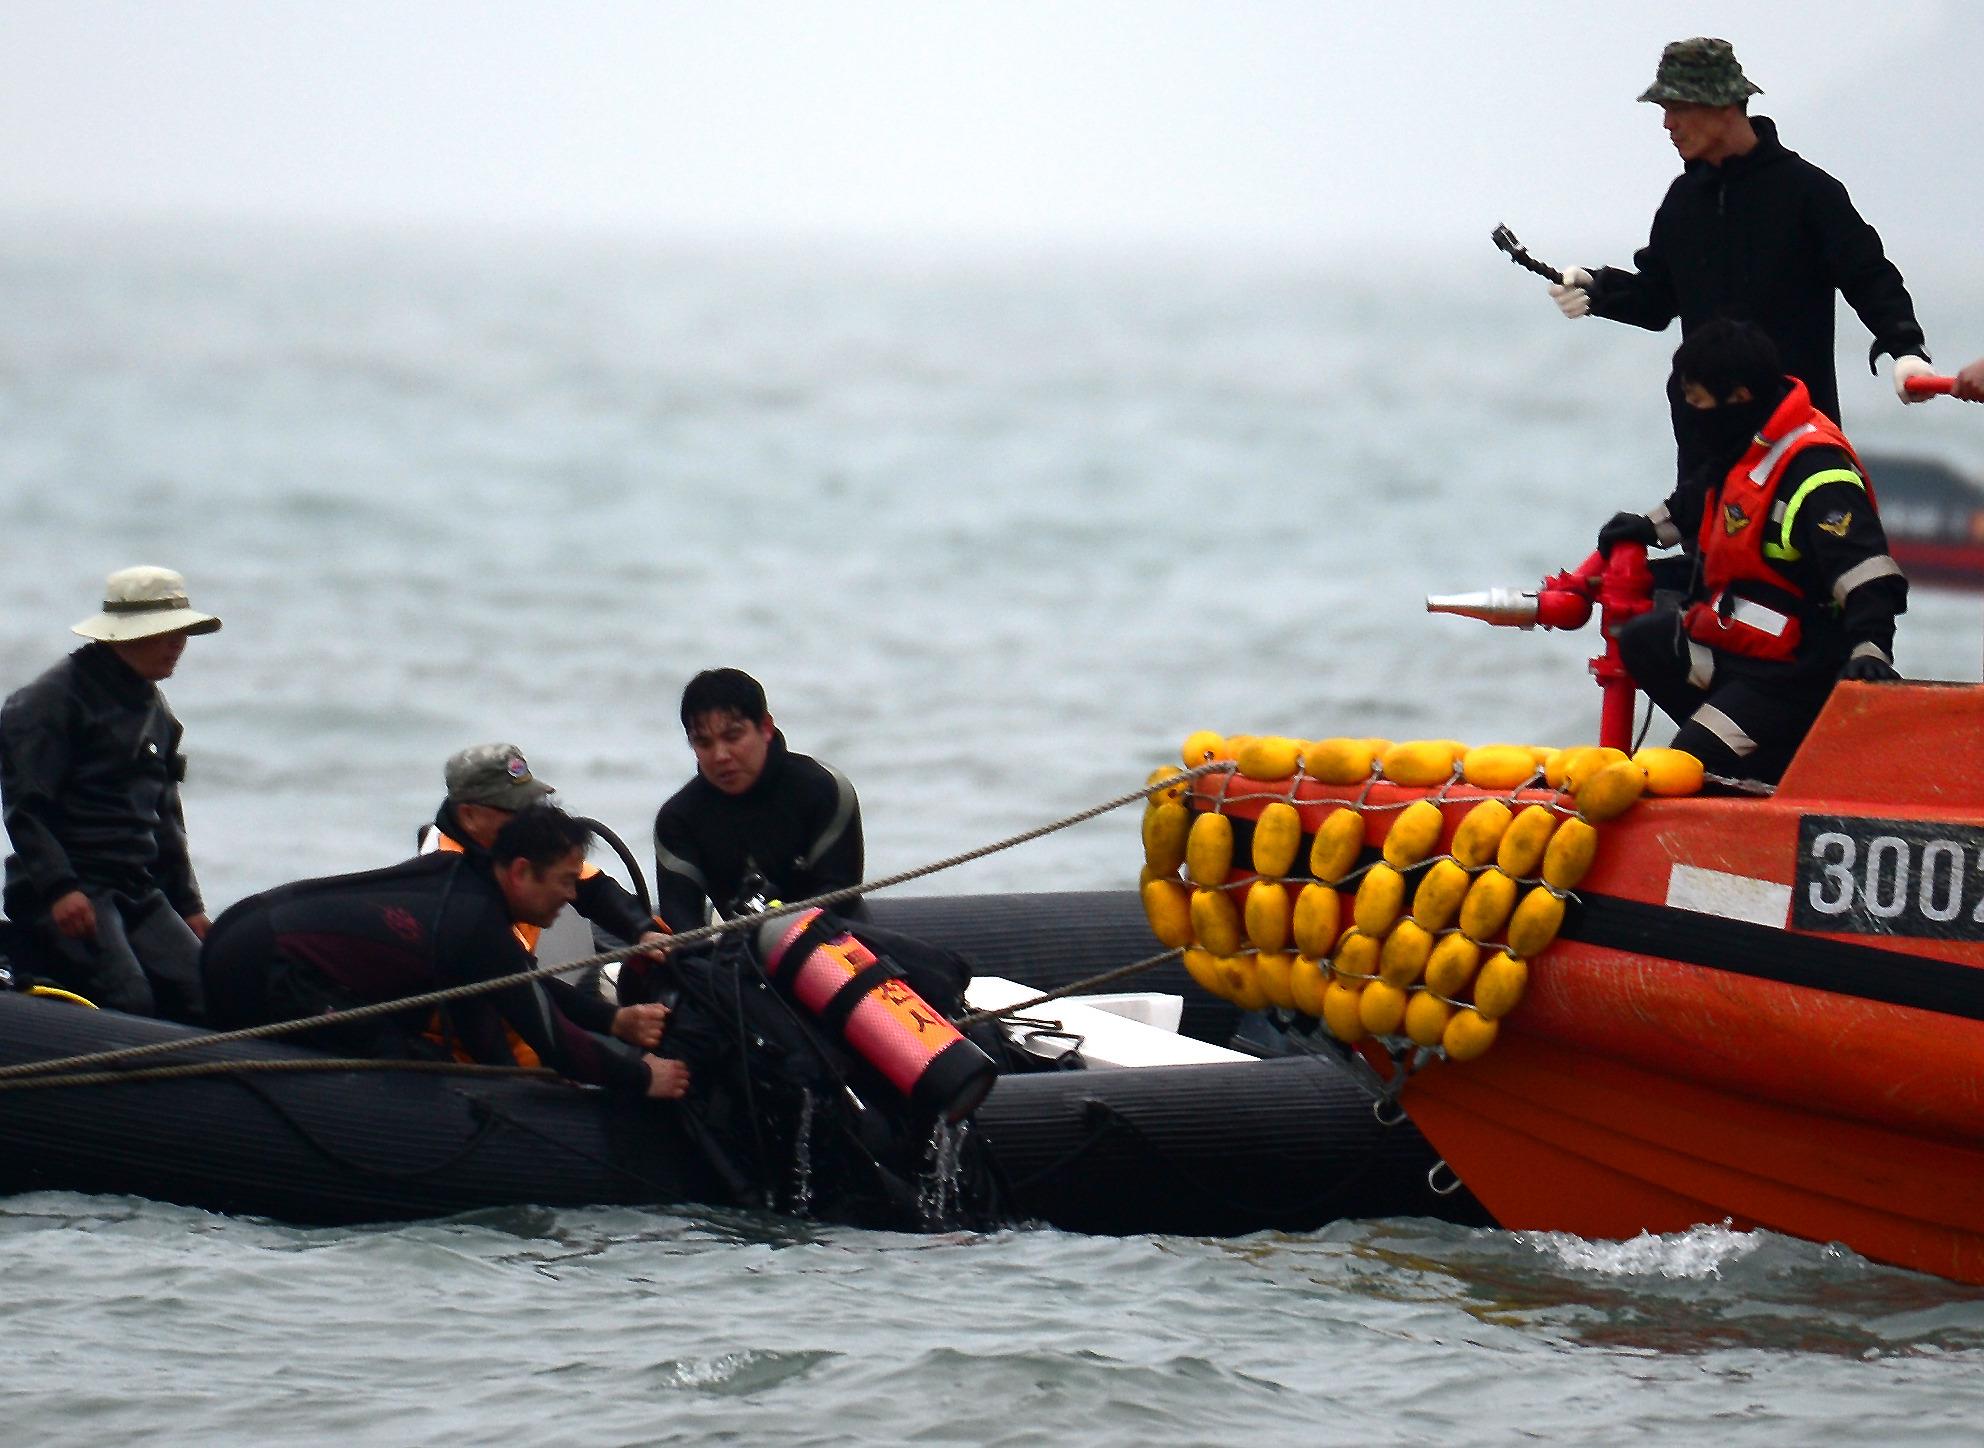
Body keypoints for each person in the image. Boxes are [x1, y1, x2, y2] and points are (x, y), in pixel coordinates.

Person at [1549, 37, 1933, 477]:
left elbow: (1868, 276)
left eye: (1677, 108)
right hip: (1706, 458)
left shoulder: (1807, 192)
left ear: (1723, 107)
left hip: (1797, 446)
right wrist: (1598, 289)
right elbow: (1657, 302)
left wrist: (1906, 349)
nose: (1667, 124)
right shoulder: (1682, 203)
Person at [201, 803, 689, 1099]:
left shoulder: (466, 884)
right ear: (520, 872)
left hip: (243, 929)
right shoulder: (476, 924)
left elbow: (518, 983)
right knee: (401, 1058)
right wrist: (642, 1078)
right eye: (564, 882)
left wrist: (612, 1022)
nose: (569, 896)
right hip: (255, 963)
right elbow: (553, 1040)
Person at [1597, 319, 1907, 783]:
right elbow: (1704, 495)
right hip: (1742, 647)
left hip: (1799, 675)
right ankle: (1748, 746)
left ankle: (1766, 768)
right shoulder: (1749, 441)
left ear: (1738, 398)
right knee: (1645, 637)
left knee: (1689, 766)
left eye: (1697, 403)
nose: (1691, 414)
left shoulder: (1817, 472)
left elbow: (1866, 574)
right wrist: (1648, 526)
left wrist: (1872, 650)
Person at [0, 566, 221, 1019]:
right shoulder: (49, 702)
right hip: (67, 890)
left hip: (136, 889)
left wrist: (189, 906)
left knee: (206, 993)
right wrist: (60, 889)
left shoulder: (157, 712)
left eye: (183, 633)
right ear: (127, 636)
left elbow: (167, 820)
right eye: (167, 633)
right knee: (129, 997)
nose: (178, 645)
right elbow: (26, 808)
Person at [652, 669, 864, 928]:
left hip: (833, 945)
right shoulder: (678, 819)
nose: (720, 755)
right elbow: (682, 925)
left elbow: (840, 899)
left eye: (733, 737)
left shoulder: (826, 790)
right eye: (704, 743)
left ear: (765, 727)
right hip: (738, 955)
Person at [418, 741, 669, 955]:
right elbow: (511, 972)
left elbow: (592, 886)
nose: (529, 816)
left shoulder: (516, 842)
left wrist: (642, 932)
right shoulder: (449, 878)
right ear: (470, 816)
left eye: (532, 803)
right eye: (515, 808)